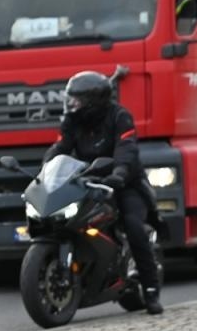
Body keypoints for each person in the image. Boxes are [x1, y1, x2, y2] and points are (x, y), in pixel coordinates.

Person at [45, 70, 162, 315]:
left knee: (133, 226)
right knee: (64, 219)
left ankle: (150, 289)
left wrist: (119, 172)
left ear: (94, 102)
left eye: (77, 100)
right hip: (88, 181)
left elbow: (126, 148)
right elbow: (61, 147)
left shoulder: (120, 116)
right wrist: (46, 170)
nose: (71, 105)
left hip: (125, 182)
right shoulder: (72, 121)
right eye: (70, 99)